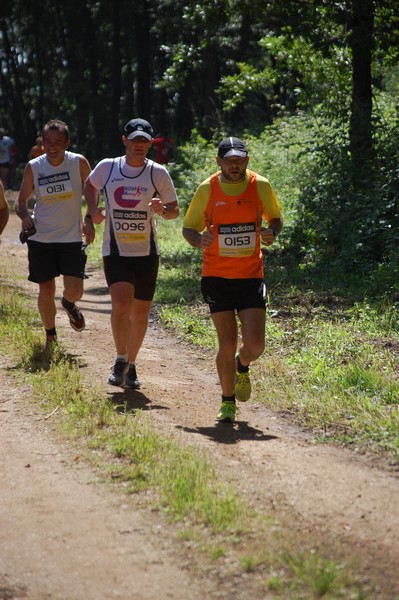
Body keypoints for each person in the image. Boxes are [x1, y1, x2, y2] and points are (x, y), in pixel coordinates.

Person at [182, 137, 283, 423]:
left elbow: (276, 219)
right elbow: (188, 228)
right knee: (226, 343)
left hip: (251, 276)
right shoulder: (208, 189)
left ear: (247, 160)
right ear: (219, 162)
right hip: (216, 277)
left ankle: (243, 365)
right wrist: (198, 239)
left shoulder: (260, 186)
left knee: (255, 346)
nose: (234, 165)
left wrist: (272, 232)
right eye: (229, 160)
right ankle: (227, 401)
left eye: (239, 160)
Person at [84, 118, 179, 389]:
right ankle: (119, 358)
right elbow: (90, 186)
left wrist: (163, 210)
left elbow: (174, 210)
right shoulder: (108, 167)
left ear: (151, 144)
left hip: (147, 253)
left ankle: (132, 365)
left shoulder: (157, 172)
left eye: (145, 141)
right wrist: (92, 212)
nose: (139, 146)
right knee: (122, 304)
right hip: (115, 250)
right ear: (124, 141)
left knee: (139, 314)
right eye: (135, 140)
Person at [15, 119, 94, 345]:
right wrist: (25, 217)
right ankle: (51, 335)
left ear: (67, 143)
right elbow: (20, 201)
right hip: (41, 238)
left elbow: (92, 190)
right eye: (47, 142)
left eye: (58, 142)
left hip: (70, 237)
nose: (52, 146)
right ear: (42, 143)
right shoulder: (34, 167)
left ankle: (69, 304)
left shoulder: (78, 163)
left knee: (75, 289)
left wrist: (89, 217)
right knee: (46, 288)